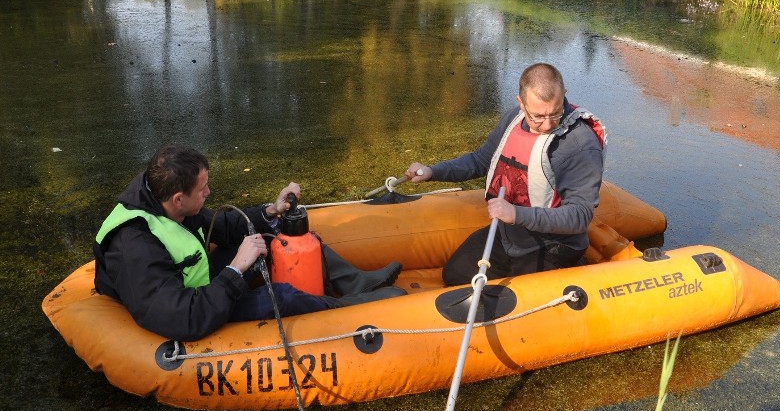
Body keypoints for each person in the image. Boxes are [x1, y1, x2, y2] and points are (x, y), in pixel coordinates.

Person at [93, 146, 405, 342]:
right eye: (202, 189)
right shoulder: (135, 246)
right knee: (279, 297)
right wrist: (236, 269)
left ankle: (355, 281)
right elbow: (184, 319)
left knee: (272, 239)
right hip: (191, 305)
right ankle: (351, 308)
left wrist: (272, 210)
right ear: (179, 198)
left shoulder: (167, 203)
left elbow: (225, 227)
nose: (209, 192)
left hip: (197, 285)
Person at [405, 62, 607, 286]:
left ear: (564, 95)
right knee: (455, 275)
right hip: (511, 234)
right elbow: (481, 160)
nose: (548, 124)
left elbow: (579, 216)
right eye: (538, 116)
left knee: (509, 296)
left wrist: (516, 214)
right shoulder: (513, 119)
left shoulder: (579, 144)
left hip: (553, 245)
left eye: (556, 113)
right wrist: (434, 171)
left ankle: (574, 268)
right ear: (520, 103)